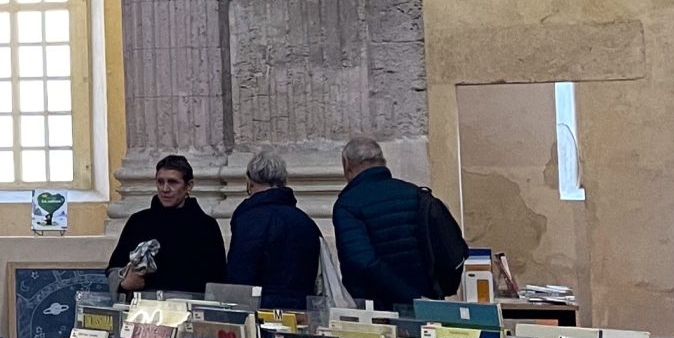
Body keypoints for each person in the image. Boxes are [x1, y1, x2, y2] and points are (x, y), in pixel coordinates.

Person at [331, 135, 447, 307]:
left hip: (377, 307)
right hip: (426, 300)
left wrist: (409, 297)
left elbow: (362, 261)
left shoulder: (348, 204)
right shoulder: (415, 193)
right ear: (382, 161)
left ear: (347, 165)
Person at [108, 155, 226, 297]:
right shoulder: (139, 222)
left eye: (173, 182)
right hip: (144, 306)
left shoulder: (206, 227)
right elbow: (114, 268)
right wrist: (124, 283)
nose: (165, 189)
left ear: (188, 186)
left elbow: (218, 280)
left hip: (190, 306)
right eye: (160, 182)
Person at [225, 147, 322, 309]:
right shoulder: (305, 221)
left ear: (250, 182)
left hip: (261, 310)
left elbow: (239, 277)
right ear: (283, 181)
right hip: (301, 310)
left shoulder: (249, 220)